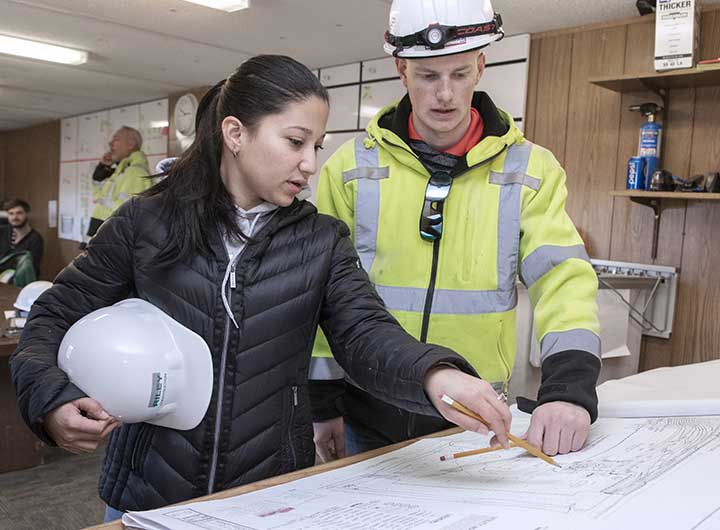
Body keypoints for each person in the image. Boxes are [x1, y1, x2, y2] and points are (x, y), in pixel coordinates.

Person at [10, 55, 513, 523]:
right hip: (147, 497)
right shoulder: (148, 222)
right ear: (235, 133)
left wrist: (435, 374)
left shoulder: (320, 241)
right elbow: (54, 316)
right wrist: (50, 399)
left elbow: (366, 333)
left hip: (267, 497)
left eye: (315, 147)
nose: (310, 165)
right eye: (295, 142)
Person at [310, 0, 601, 463]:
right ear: (401, 70)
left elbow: (563, 281)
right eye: (427, 76)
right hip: (363, 410)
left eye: (459, 73)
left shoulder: (531, 169)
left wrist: (568, 388)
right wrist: (321, 402)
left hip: (474, 419)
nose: (444, 93)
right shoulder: (349, 167)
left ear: (481, 67)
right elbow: (323, 298)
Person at [86, 126, 151, 238]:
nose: (110, 144)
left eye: (116, 139)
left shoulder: (135, 172)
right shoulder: (121, 171)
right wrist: (103, 168)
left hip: (108, 244)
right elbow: (98, 195)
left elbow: (126, 215)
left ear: (131, 144)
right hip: (100, 241)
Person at [0, 198, 44, 279]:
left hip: (22, 281)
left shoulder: (35, 239)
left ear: (26, 214)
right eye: (11, 213)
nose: (14, 217)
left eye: (19, 213)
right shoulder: (2, 231)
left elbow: (29, 267)